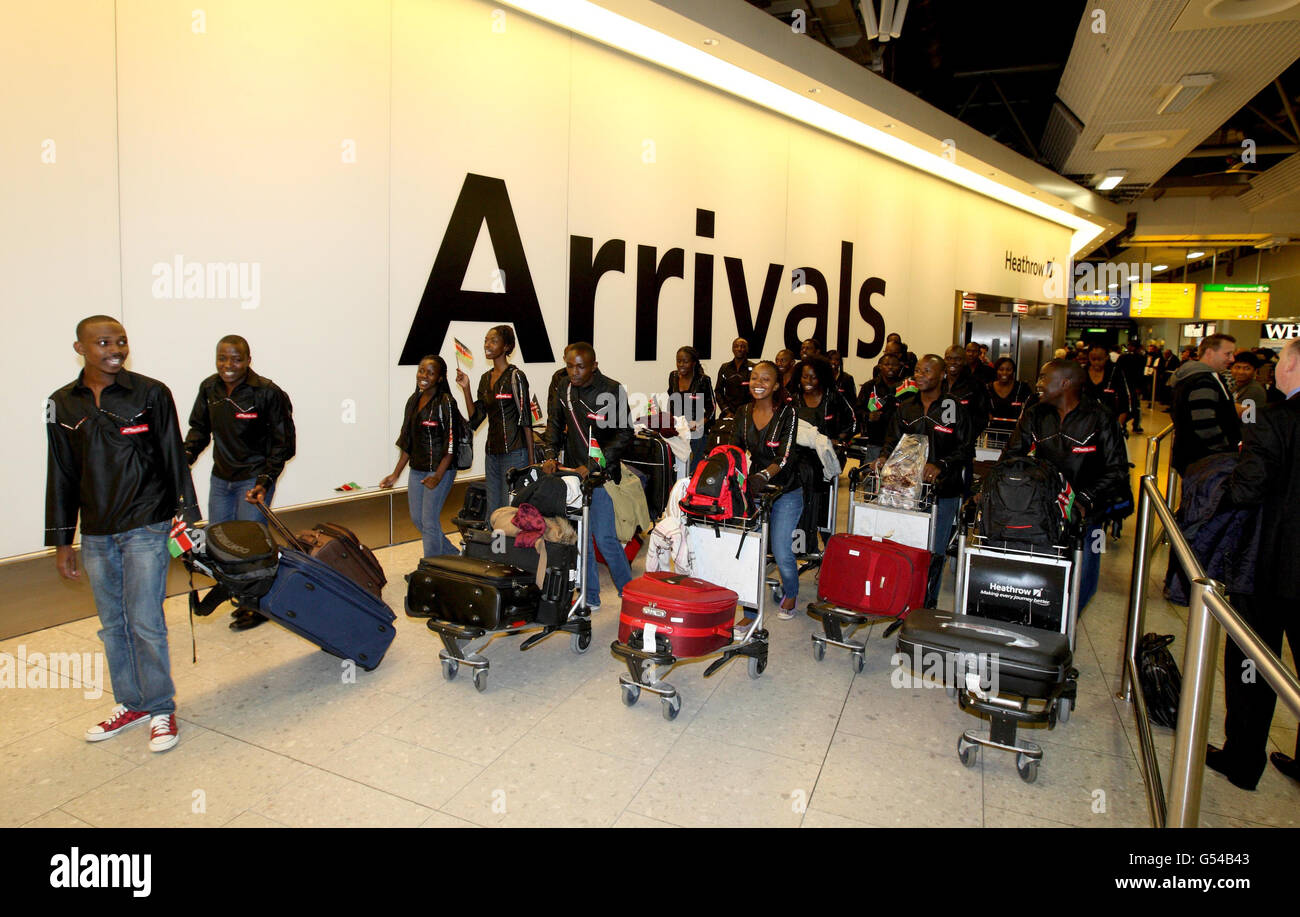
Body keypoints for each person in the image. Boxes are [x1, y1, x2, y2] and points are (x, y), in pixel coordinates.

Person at [47, 316, 199, 753]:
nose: (115, 348)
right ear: (80, 348)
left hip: (146, 525)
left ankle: (160, 707)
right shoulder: (61, 404)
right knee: (113, 625)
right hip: (97, 534)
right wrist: (63, 542)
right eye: (102, 342)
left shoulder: (150, 393)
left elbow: (173, 456)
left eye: (121, 340)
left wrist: (184, 514)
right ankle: (131, 703)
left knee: (147, 621)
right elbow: (61, 474)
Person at [1208, 338, 1300, 790]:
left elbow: (1246, 490)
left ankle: (1243, 761)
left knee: (1253, 663)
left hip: (1271, 566)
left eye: (1283, 361)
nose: (1276, 369)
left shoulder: (1276, 421)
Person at [183, 334, 297, 631]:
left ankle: (258, 606)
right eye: (222, 358)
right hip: (221, 479)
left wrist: (265, 479)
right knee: (221, 544)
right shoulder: (209, 388)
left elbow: (283, 443)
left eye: (236, 359)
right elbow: (199, 430)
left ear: (248, 360)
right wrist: (182, 460)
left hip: (254, 479)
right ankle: (241, 597)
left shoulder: (267, 393)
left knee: (253, 549)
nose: (228, 365)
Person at [1006, 360, 1131, 610]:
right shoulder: (1035, 413)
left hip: (1093, 512)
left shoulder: (1101, 417)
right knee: (1043, 574)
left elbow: (1117, 469)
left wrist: (1084, 498)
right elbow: (1012, 456)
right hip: (1045, 510)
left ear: (1065, 383)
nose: (1038, 384)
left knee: (1086, 570)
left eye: (1043, 378)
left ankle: (1072, 621)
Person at [541, 342, 635, 609]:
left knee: (604, 538)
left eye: (580, 366)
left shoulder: (612, 389)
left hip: (601, 476)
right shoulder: (563, 387)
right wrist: (550, 454)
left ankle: (629, 591)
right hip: (572, 476)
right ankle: (590, 596)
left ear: (594, 365)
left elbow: (625, 433)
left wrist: (595, 464)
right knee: (580, 540)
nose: (574, 371)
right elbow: (555, 424)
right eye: (570, 365)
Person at [876, 355, 974, 607]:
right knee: (904, 544)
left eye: (927, 371)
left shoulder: (953, 408)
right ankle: (901, 599)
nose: (920, 375)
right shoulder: (906, 406)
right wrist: (884, 457)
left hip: (943, 492)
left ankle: (926, 605)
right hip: (905, 492)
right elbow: (892, 441)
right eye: (918, 371)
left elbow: (965, 449)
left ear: (941, 375)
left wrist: (941, 465)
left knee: (934, 551)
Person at [731, 361, 802, 625]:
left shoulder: (788, 413)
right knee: (751, 551)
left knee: (782, 550)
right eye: (754, 378)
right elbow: (734, 449)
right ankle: (750, 612)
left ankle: (792, 593)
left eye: (765, 380)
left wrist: (764, 475)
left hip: (785, 490)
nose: (758, 384)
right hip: (754, 490)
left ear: (776, 385)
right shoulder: (743, 412)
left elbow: (786, 456)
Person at [380, 355, 460, 558]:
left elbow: (451, 445)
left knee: (429, 521)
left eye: (431, 372)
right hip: (417, 469)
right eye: (421, 370)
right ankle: (452, 555)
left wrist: (438, 476)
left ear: (440, 378)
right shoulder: (413, 400)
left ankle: (430, 570)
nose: (424, 376)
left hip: (440, 469)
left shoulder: (446, 402)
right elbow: (408, 442)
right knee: (419, 520)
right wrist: (395, 474)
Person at [456, 325, 535, 515]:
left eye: (493, 340)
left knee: (512, 510)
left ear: (507, 346)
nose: (487, 345)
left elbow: (526, 421)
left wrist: (532, 464)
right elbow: (476, 419)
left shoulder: (516, 377)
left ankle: (512, 546)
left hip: (516, 453)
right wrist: (466, 389)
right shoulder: (485, 379)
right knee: (493, 509)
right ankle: (495, 545)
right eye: (485, 340)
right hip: (491, 453)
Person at [791, 357, 856, 553]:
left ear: (822, 378)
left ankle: (828, 548)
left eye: (813, 377)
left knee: (824, 506)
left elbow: (852, 422)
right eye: (804, 377)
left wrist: (839, 439)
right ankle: (802, 545)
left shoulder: (833, 397)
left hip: (827, 456)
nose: (808, 382)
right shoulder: (793, 398)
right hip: (801, 458)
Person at [1170, 334, 1240, 476]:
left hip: (1195, 457)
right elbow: (1204, 423)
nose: (1232, 359)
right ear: (1209, 352)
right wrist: (1225, 450)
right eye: (1227, 354)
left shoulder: (1192, 376)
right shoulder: (1203, 381)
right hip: (1205, 460)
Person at [666, 345, 715, 472]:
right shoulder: (673, 376)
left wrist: (698, 424)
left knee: (692, 471)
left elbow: (712, 409)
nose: (681, 364)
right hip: (678, 432)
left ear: (694, 363)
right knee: (677, 470)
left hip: (696, 435)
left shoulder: (703, 380)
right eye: (678, 361)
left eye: (685, 361)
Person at [855, 350, 904, 462]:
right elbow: (857, 410)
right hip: (875, 442)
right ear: (880, 367)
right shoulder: (869, 386)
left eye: (894, 365)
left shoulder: (905, 388)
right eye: (887, 364)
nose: (890, 367)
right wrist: (868, 416)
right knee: (871, 476)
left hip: (900, 443)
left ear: (900, 367)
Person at [1082, 343, 1133, 432]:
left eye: (1100, 359)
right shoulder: (1082, 373)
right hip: (1086, 425)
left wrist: (1119, 426)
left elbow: (1124, 400)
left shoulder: (1115, 372)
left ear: (1107, 357)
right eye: (1093, 359)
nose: (1096, 362)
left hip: (1111, 424)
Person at [942, 344, 990, 435]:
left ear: (964, 361)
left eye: (957, 359)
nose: (952, 362)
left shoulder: (976, 385)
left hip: (963, 442)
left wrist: (968, 437)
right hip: (938, 440)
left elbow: (982, 417)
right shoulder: (937, 383)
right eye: (949, 358)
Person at [985, 357, 1034, 435]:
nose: (1004, 373)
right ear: (996, 371)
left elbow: (1032, 407)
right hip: (993, 433)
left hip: (1017, 432)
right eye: (1001, 369)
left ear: (1013, 371)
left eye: (1008, 370)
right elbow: (980, 407)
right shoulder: (987, 388)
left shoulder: (1022, 387)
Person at [714, 337, 754, 420]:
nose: (739, 349)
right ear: (732, 349)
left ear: (747, 349)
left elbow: (755, 393)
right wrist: (726, 411)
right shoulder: (725, 368)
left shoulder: (754, 368)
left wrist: (749, 411)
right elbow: (718, 391)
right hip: (728, 414)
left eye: (743, 346)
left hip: (748, 414)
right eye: (736, 346)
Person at [1116, 341, 1147, 433]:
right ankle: (1136, 425)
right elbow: (1141, 373)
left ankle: (1124, 423)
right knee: (1135, 406)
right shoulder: (1141, 358)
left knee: (1125, 404)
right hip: (1134, 384)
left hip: (1124, 384)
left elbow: (1118, 370)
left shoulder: (1123, 357)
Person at [1228, 351, 1267, 419]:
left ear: (1255, 371)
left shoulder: (1254, 389)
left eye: (1247, 368)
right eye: (1237, 367)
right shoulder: (1236, 385)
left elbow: (1237, 413)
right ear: (1231, 368)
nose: (1241, 372)